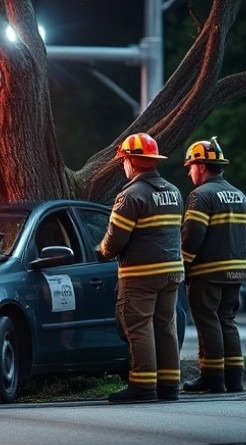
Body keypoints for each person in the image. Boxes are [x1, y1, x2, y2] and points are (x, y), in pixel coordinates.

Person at [98, 132, 184, 404]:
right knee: (165, 326)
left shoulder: (131, 195)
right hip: (172, 272)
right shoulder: (173, 191)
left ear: (132, 162)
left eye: (124, 160)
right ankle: (169, 386)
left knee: (139, 327)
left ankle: (143, 386)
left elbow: (115, 239)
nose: (123, 165)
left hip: (141, 275)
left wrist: (101, 251)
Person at [180, 137, 246, 394]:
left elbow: (192, 236)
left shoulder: (200, 196)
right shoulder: (240, 195)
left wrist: (183, 266)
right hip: (235, 272)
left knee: (208, 321)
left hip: (207, 273)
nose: (190, 171)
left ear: (201, 166)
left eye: (190, 166)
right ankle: (234, 380)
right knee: (227, 320)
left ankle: (212, 378)